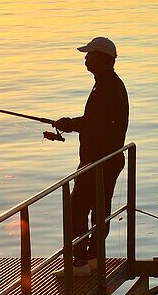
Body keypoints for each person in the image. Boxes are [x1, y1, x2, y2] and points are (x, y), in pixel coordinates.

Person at [54, 36, 129, 276]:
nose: (85, 58)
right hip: (108, 158)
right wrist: (73, 124)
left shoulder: (106, 86)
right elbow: (99, 122)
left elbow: (95, 124)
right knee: (100, 208)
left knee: (77, 207)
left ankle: (79, 263)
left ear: (102, 58)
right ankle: (94, 257)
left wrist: (70, 123)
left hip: (98, 160)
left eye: (90, 54)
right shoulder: (109, 83)